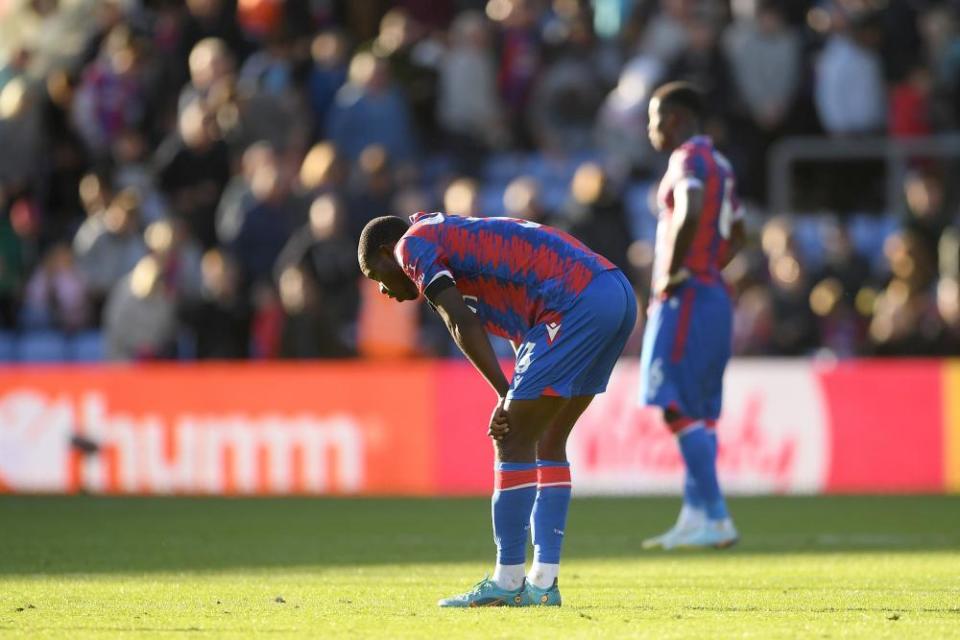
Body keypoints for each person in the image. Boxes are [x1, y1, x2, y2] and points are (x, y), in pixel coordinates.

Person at [357, 211, 636, 607]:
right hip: (614, 291)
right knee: (548, 439)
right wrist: (511, 394)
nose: (383, 290)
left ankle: (507, 580)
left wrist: (504, 396)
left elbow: (460, 323)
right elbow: (523, 334)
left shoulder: (411, 245)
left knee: (512, 439)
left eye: (375, 275)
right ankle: (543, 583)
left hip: (576, 299)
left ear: (388, 251)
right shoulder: (454, 243)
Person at [640, 82, 746, 550]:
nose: (651, 129)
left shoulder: (686, 159)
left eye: (655, 119)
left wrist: (676, 271)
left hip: (685, 298)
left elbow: (692, 205)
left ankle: (718, 516)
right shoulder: (721, 163)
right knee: (699, 412)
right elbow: (739, 233)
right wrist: (708, 267)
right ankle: (696, 515)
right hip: (713, 295)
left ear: (677, 119)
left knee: (674, 404)